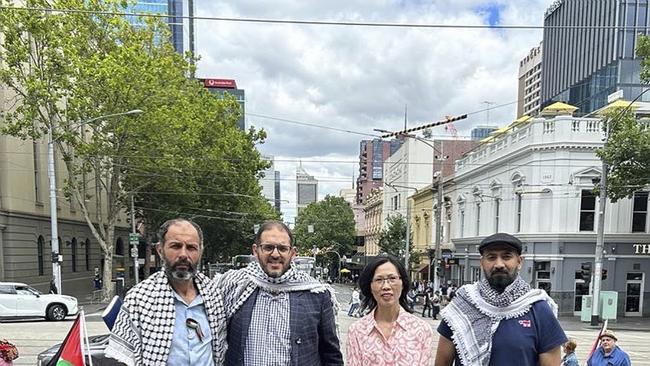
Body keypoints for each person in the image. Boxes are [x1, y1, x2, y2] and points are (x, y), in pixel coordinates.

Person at [216, 220, 343, 365]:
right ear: (255, 250)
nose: (275, 254)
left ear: (292, 253)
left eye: (282, 248)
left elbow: (331, 356)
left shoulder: (316, 294)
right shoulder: (235, 288)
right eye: (268, 247)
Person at [106, 219, 227, 366]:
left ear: (200, 251)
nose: (183, 254)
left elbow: (219, 351)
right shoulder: (140, 298)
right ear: (160, 250)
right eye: (175, 246)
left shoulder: (214, 294)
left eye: (191, 248)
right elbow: (125, 358)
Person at [435, 232, 567, 366]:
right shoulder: (462, 306)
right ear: (481, 263)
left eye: (506, 256)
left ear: (519, 262)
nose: (499, 264)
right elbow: (442, 362)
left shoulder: (539, 309)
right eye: (491, 257)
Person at [346, 256, 433, 366]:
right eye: (379, 280)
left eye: (392, 278)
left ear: (402, 283)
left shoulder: (421, 330)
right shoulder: (357, 331)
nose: (386, 286)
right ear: (370, 286)